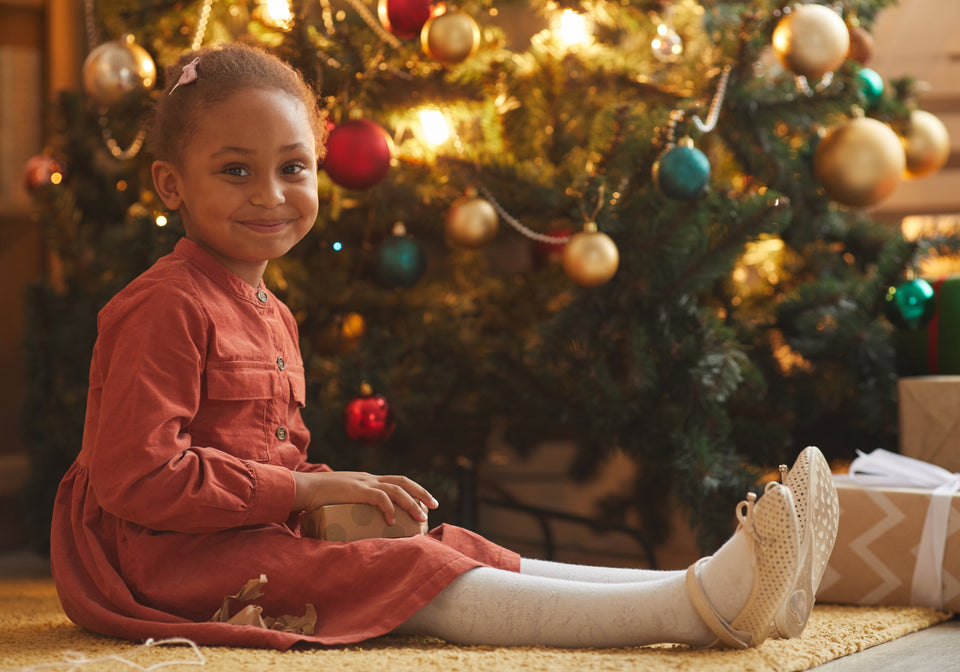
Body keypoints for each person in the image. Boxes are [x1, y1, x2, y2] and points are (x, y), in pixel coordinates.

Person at [49, 42, 839, 651]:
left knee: (442, 540)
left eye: (294, 167)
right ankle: (699, 612)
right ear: (170, 184)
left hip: (234, 527)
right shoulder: (161, 306)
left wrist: (334, 493)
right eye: (234, 170)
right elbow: (139, 478)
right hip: (162, 561)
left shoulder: (269, 310)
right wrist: (306, 498)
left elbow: (267, 461)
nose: (270, 195)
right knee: (406, 572)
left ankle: (706, 582)